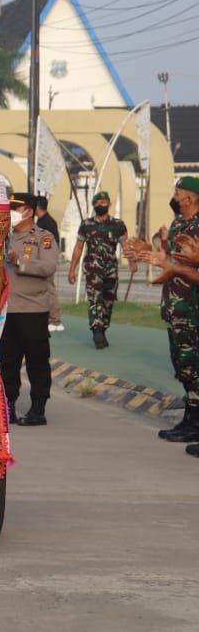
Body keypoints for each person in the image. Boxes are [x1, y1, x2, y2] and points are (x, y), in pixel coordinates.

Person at [125, 177, 199, 449]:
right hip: (175, 304)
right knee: (183, 367)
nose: (175, 195)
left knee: (194, 366)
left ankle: (195, 422)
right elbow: (172, 260)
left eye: (178, 191)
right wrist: (151, 251)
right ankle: (191, 420)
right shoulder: (180, 223)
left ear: (189, 197)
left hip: (193, 308)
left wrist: (167, 262)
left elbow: (184, 266)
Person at [0, 192, 60, 426]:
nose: (11, 212)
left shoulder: (44, 238)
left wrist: (20, 262)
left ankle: (38, 408)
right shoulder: (3, 236)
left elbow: (49, 267)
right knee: (8, 361)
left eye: (16, 208)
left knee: (37, 360)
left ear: (29, 211)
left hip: (33, 309)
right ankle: (8, 406)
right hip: (7, 309)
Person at [68, 191, 128, 349]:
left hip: (111, 269)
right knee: (95, 299)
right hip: (93, 268)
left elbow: (126, 245)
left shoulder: (118, 224)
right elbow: (79, 247)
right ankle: (96, 330)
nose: (102, 204)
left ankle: (103, 327)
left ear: (109, 204)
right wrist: (72, 269)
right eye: (98, 202)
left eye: (104, 202)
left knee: (108, 301)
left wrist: (133, 262)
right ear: (94, 205)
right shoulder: (86, 225)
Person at [35, 196, 64, 332]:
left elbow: (49, 243)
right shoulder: (41, 221)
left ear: (37, 207)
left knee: (49, 289)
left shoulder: (47, 223)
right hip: (40, 261)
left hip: (46, 261)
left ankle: (55, 319)